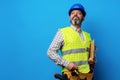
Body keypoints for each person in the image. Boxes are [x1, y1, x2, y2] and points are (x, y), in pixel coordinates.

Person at [47, 3, 95, 80]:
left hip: (87, 76)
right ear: (70, 17)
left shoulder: (87, 35)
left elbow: (88, 56)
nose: (75, 15)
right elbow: (50, 52)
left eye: (79, 13)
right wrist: (67, 64)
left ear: (83, 18)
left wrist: (92, 61)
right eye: (72, 13)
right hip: (71, 75)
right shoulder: (62, 32)